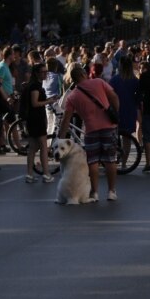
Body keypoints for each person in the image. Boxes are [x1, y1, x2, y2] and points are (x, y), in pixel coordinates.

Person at [60, 64, 122, 201]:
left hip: (91, 130)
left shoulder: (72, 96)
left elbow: (66, 119)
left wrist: (60, 138)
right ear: (82, 74)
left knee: (92, 162)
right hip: (108, 126)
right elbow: (114, 97)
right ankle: (111, 191)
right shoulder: (99, 82)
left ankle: (94, 192)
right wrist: (115, 113)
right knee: (110, 160)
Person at [21, 62, 56, 183]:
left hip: (32, 119)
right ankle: (46, 174)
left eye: (46, 71)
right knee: (43, 146)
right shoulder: (35, 86)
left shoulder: (32, 85)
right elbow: (35, 103)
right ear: (37, 73)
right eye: (43, 72)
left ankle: (30, 174)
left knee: (33, 147)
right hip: (37, 119)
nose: (45, 74)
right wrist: (48, 101)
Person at [108, 55, 141, 167]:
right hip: (130, 109)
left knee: (113, 136)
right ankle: (124, 163)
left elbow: (108, 95)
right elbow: (139, 97)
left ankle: (113, 159)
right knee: (127, 138)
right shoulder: (135, 80)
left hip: (116, 111)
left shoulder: (114, 80)